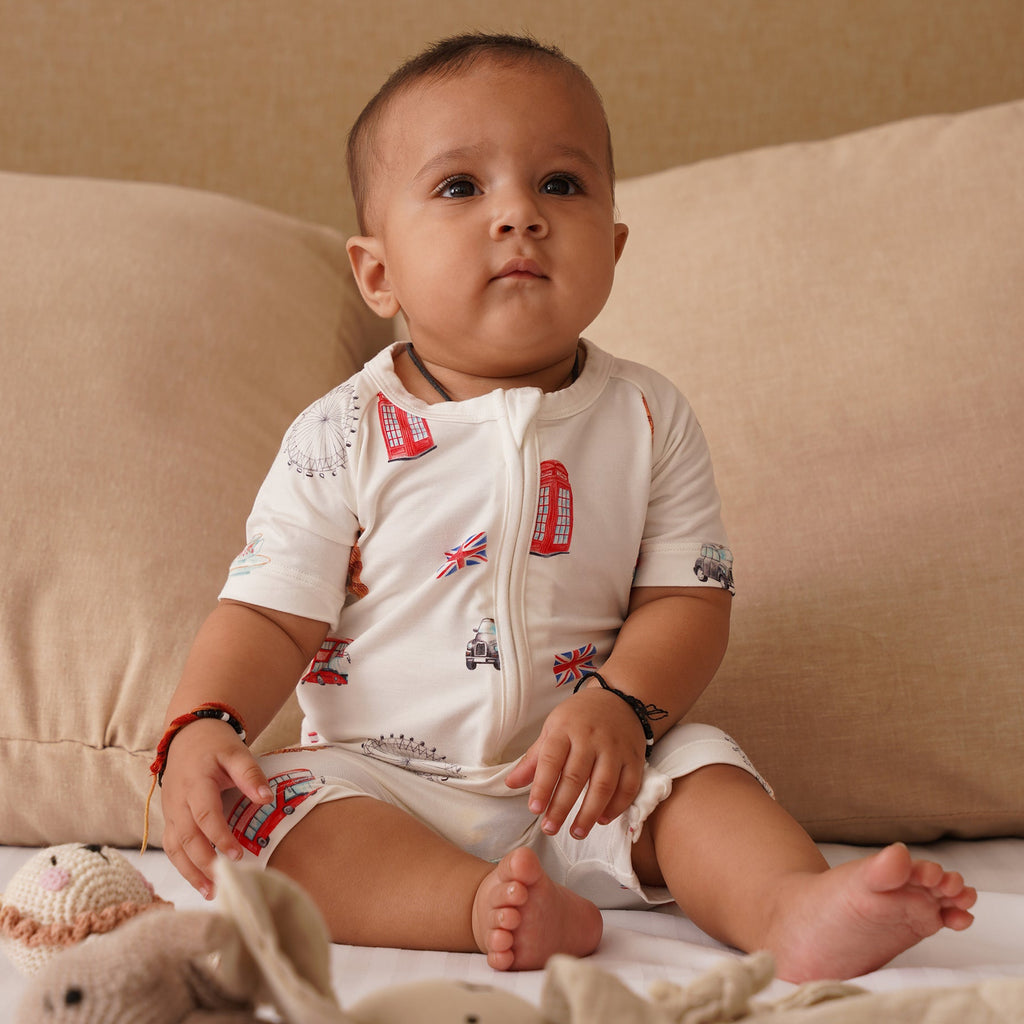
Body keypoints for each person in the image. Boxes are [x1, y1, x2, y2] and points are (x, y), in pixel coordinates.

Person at [157, 33, 976, 982]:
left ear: (614, 250)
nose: (518, 215)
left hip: (595, 775)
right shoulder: (342, 433)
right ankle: (478, 906)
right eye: (461, 188)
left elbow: (686, 602)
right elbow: (268, 610)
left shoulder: (646, 416)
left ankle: (788, 909)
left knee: (703, 773)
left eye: (561, 185)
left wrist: (622, 705)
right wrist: (202, 721)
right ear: (377, 274)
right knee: (270, 818)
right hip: (382, 784)